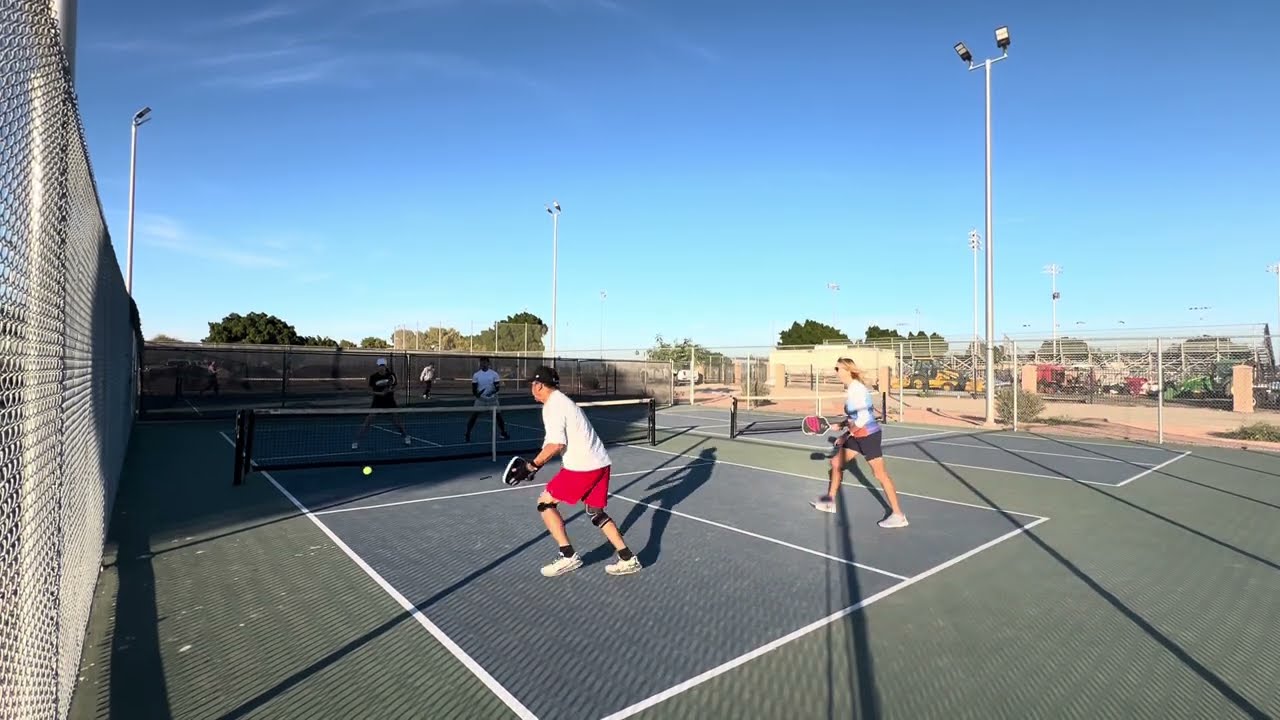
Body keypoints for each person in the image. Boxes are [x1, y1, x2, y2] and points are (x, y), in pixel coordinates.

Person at [524, 365, 641, 577]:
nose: (531, 388)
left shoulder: (552, 406)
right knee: (595, 512)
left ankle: (568, 556)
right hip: (601, 463)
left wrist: (532, 466)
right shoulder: (562, 402)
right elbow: (553, 444)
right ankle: (627, 558)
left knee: (544, 503)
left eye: (532, 384)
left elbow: (556, 444)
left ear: (539, 385)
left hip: (583, 467)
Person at [811, 358, 908, 528]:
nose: (836, 372)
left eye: (838, 368)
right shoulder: (851, 389)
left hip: (868, 436)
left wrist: (844, 436)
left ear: (848, 370)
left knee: (880, 475)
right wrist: (841, 425)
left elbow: (863, 418)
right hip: (857, 436)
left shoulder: (857, 390)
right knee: (835, 463)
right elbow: (853, 416)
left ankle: (898, 515)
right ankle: (830, 502)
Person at [352, 357, 410, 449]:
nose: (381, 367)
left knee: (397, 422)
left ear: (385, 366)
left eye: (383, 365)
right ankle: (356, 441)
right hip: (377, 402)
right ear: (377, 366)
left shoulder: (391, 375)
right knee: (367, 421)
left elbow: (396, 387)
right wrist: (380, 393)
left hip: (390, 401)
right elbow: (369, 391)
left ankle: (406, 436)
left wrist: (390, 390)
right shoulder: (373, 377)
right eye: (380, 365)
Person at [465, 357, 509, 442]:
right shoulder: (476, 375)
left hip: (493, 399)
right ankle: (467, 434)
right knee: (474, 416)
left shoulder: (494, 374)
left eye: (484, 363)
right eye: (481, 363)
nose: (483, 364)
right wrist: (477, 394)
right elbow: (474, 389)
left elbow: (497, 387)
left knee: (498, 417)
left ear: (488, 363)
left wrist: (491, 393)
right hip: (481, 400)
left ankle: (503, 433)